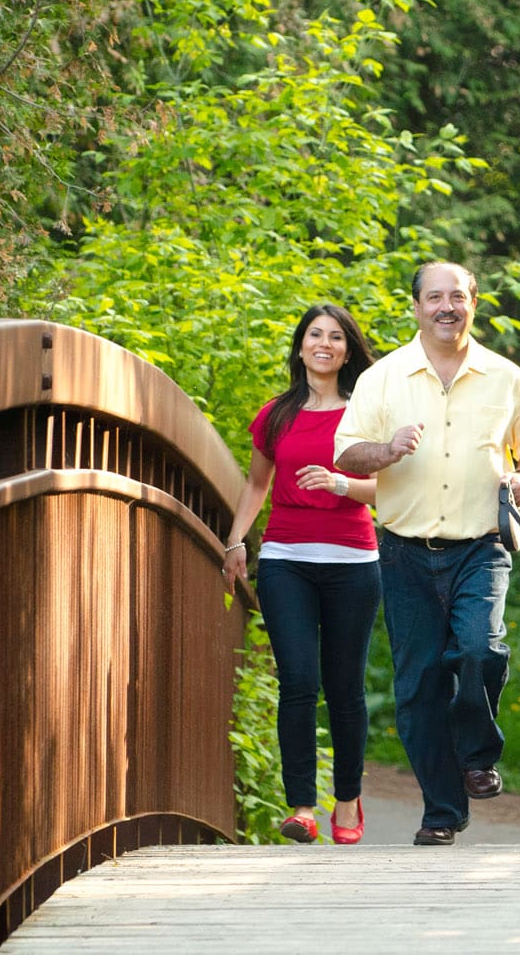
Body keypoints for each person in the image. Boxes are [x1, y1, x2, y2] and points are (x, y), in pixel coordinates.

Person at [333, 261, 520, 846]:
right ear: (416, 307)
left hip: (481, 546)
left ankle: (477, 755)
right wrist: (386, 449)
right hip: (403, 552)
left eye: (457, 296)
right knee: (418, 685)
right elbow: (346, 456)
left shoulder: (505, 376)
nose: (446, 307)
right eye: (435, 297)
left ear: (474, 303)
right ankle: (441, 811)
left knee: (481, 650)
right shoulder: (383, 378)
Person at [222, 303, 381, 846]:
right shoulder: (277, 415)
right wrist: (236, 539)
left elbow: (391, 491)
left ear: (347, 350)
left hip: (353, 562)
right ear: (300, 346)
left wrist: (341, 485)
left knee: (345, 689)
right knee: (298, 681)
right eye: (315, 334)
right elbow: (254, 485)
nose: (325, 344)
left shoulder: (364, 415)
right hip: (286, 559)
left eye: (336, 337)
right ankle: (302, 807)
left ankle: (349, 797)